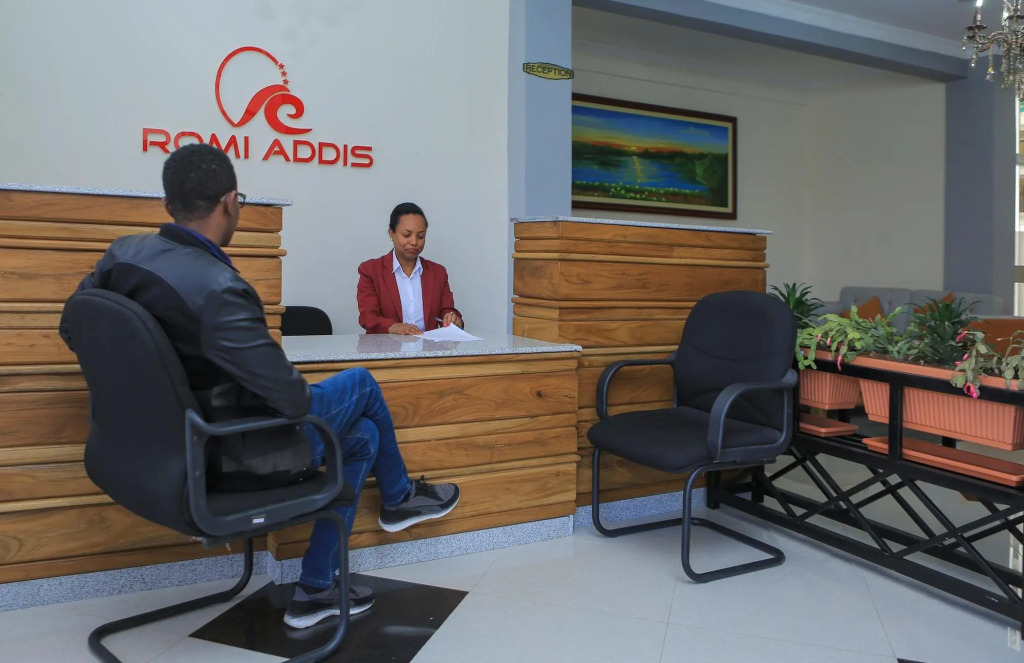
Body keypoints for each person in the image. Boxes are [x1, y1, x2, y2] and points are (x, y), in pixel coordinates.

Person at [64, 144, 459, 630]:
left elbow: (74, 326)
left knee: (364, 437)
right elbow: (293, 401)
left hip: (141, 452)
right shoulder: (221, 289)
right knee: (360, 383)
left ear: (169, 204)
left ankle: (316, 587)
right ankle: (397, 499)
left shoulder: (122, 256)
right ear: (231, 202)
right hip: (232, 458)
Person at [356, 202, 463, 335]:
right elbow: (367, 317)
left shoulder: (438, 272)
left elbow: (446, 310)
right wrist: (392, 327)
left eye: (420, 236)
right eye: (406, 235)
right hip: (386, 347)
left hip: (428, 347)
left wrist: (451, 318)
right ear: (391, 233)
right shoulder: (370, 271)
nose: (414, 242)